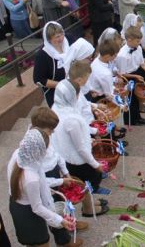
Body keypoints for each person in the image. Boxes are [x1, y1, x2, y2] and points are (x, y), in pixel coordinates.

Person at [8, 129, 83, 247]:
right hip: (28, 213)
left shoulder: (20, 156)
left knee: (32, 242)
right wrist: (60, 220)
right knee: (42, 242)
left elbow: (40, 183)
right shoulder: (31, 178)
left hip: (18, 205)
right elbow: (37, 207)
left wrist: (60, 181)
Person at [52, 61, 112, 200]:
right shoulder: (72, 120)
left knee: (86, 172)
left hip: (66, 150)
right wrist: (96, 164)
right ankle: (93, 189)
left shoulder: (58, 106)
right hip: (74, 156)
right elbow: (81, 148)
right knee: (89, 174)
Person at [115, 26, 145, 125]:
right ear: (129, 40)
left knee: (141, 93)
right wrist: (135, 77)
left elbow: (142, 64)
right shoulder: (122, 55)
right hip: (128, 76)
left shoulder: (138, 48)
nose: (139, 43)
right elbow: (122, 74)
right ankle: (132, 119)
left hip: (138, 71)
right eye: (137, 41)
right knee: (132, 99)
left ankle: (139, 114)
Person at [34, 22, 77, 107]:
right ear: (49, 39)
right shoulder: (42, 55)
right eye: (57, 37)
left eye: (61, 34)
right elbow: (39, 79)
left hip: (75, 87)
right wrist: (62, 85)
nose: (61, 38)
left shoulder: (69, 39)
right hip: (56, 93)